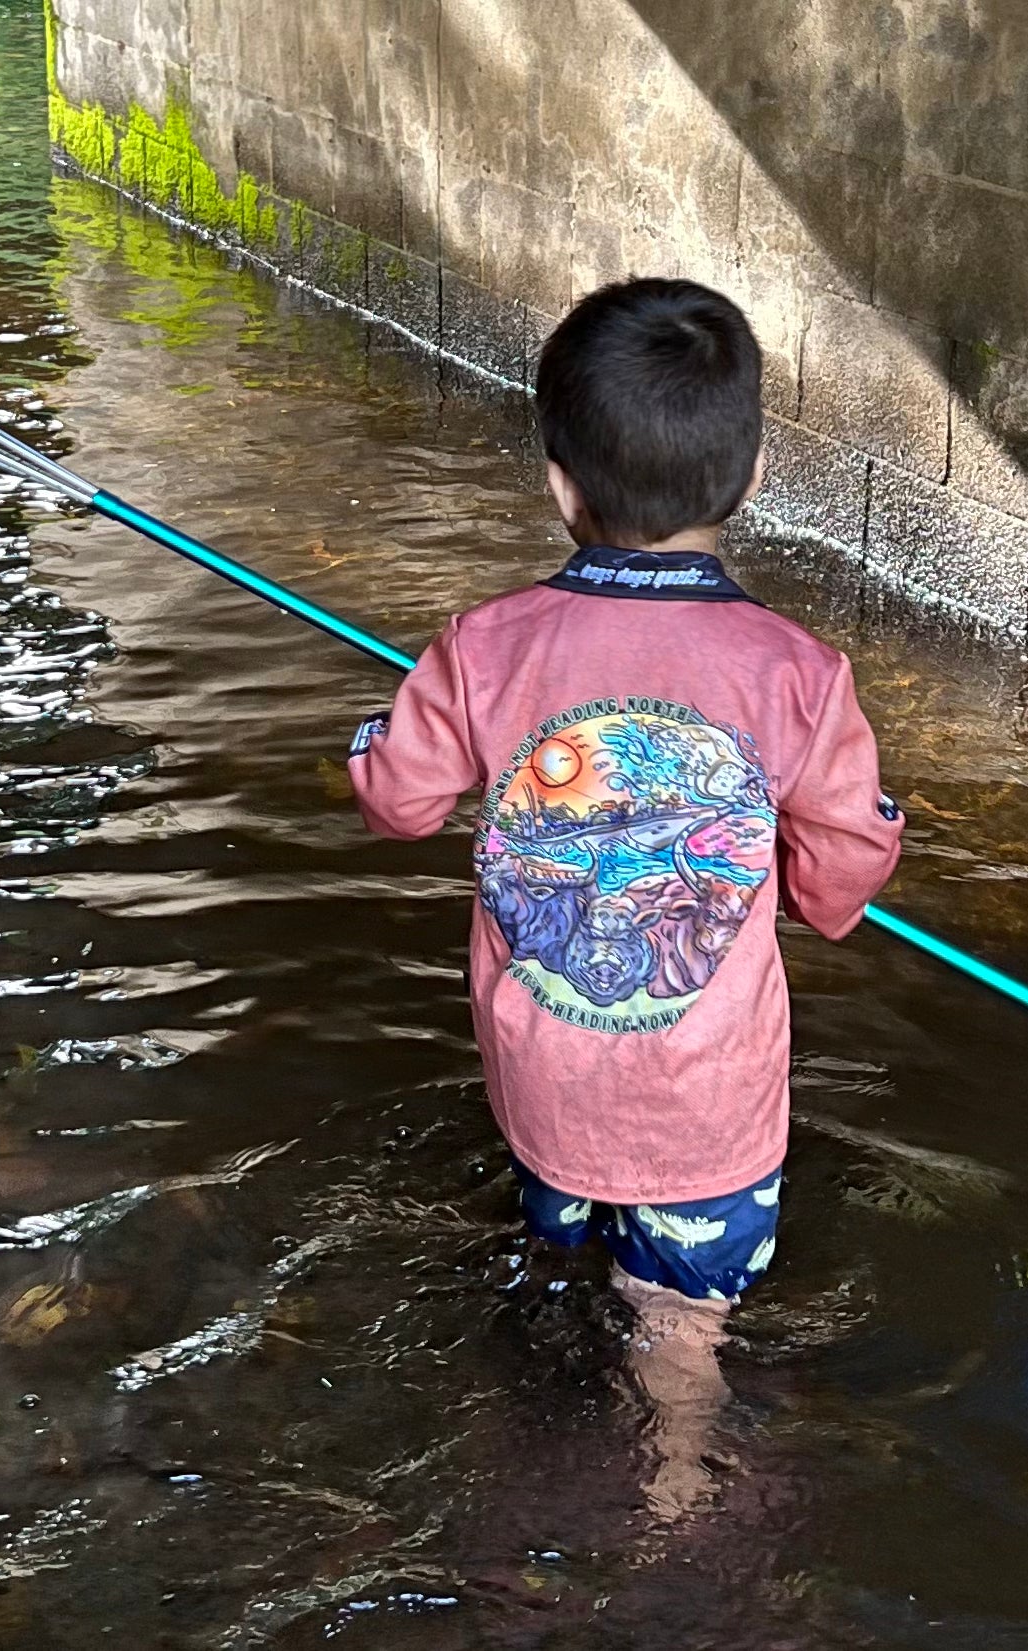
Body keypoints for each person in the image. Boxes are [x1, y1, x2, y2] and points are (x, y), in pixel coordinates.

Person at [348, 277, 904, 1517]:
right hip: (704, 1111)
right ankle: (674, 1520)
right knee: (677, 1337)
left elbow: (396, 799)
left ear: (558, 479)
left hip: (543, 1081)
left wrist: (367, 739)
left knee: (552, 1263)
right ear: (750, 479)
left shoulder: (482, 645)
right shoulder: (799, 677)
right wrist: (819, 869)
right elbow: (841, 879)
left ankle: (533, 1445)